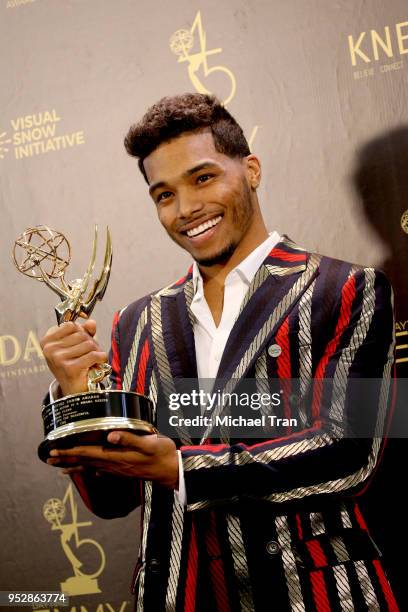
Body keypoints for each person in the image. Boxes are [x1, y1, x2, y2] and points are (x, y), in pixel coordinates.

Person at [41, 93, 398, 611]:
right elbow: (113, 500)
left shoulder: (346, 288)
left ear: (250, 169)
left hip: (313, 595)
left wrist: (182, 467)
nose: (186, 209)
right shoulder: (134, 324)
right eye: (164, 195)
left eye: (203, 178)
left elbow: (349, 454)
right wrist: (81, 403)